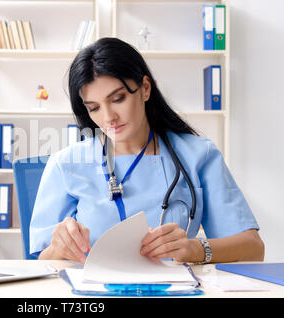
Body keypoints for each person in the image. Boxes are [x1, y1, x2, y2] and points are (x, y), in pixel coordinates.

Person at [29, 37, 264, 264]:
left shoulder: (198, 155)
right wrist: (58, 248)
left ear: (145, 89)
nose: (109, 117)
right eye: (95, 108)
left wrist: (195, 249)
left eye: (118, 99)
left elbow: (253, 248)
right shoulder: (66, 164)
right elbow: (38, 263)